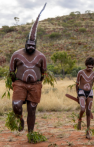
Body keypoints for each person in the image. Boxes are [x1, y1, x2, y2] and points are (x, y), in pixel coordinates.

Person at [9, 3, 47, 140]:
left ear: (35, 45)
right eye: (28, 44)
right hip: (19, 84)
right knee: (16, 106)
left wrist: (37, 82)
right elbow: (11, 71)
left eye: (33, 45)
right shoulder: (16, 54)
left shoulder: (41, 56)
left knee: (32, 109)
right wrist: (16, 82)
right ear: (25, 43)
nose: (30, 47)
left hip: (35, 86)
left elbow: (44, 73)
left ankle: (31, 134)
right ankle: (20, 119)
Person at [76, 57, 94, 139]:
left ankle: (88, 132)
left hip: (90, 93)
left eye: (92, 67)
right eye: (88, 66)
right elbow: (77, 84)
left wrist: (89, 91)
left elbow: (92, 83)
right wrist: (78, 95)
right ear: (86, 65)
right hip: (81, 91)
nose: (90, 68)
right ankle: (80, 119)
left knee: (88, 112)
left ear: (93, 66)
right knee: (82, 109)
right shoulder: (80, 72)